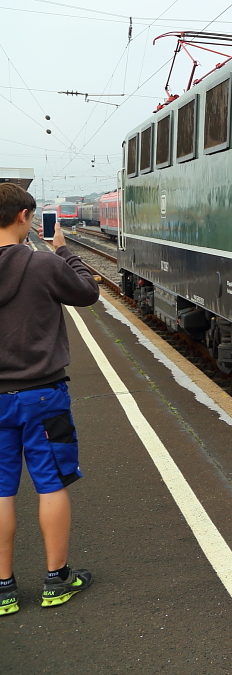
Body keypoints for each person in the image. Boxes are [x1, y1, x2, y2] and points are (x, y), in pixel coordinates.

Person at [0, 183, 100, 615]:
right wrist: (63, 251)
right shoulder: (42, 264)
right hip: (43, 396)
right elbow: (87, 292)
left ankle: (3, 588)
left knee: (1, 490)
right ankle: (56, 579)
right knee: (50, 482)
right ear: (24, 216)